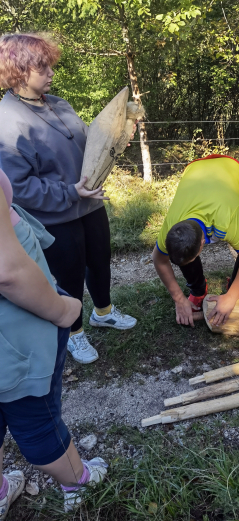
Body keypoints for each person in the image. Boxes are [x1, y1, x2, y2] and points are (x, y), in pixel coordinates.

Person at [0, 33, 136, 365]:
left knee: (100, 259)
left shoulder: (58, 103)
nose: (51, 73)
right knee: (69, 275)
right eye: (43, 67)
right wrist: (69, 192)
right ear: (19, 71)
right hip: (56, 216)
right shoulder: (7, 121)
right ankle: (73, 332)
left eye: (50, 66)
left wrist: (115, 141)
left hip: (89, 204)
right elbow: (19, 187)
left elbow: (88, 143)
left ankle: (102, 311)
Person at [0, 168, 107, 519]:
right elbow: (9, 272)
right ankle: (78, 480)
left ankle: (1, 490)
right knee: (36, 418)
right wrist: (62, 310)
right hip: (15, 337)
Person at [152, 154, 239, 326]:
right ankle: (198, 291)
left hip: (233, 171)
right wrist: (178, 299)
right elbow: (158, 260)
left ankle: (235, 290)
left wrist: (231, 297)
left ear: (203, 243)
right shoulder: (171, 226)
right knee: (185, 251)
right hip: (196, 172)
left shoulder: (226, 220)